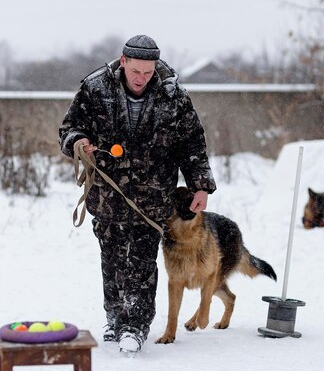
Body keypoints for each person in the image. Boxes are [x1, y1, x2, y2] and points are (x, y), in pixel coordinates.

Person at [59, 35, 216, 354]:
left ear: (155, 66)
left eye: (148, 72)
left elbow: (192, 143)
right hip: (107, 194)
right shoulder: (96, 88)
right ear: (124, 61)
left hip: (152, 198)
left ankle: (136, 325)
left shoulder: (173, 95)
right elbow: (70, 128)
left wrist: (200, 184)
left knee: (142, 260)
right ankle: (115, 318)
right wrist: (78, 142)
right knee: (113, 258)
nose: (142, 78)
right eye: (136, 71)